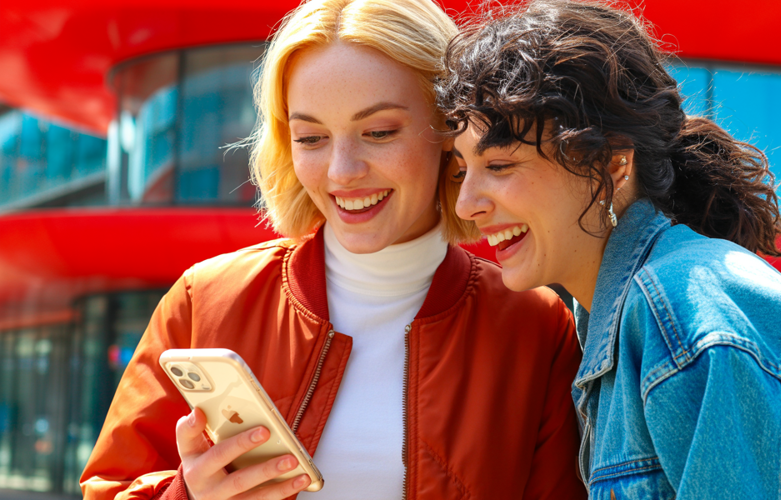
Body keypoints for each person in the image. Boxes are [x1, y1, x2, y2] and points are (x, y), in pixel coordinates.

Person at [79, 0, 587, 498]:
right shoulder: (204, 300)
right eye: (311, 137)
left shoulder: (536, 327)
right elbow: (109, 488)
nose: (342, 172)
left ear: (450, 132)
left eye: (379, 132)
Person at [438, 0, 781, 498]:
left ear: (611, 165)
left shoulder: (682, 317)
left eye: (499, 165)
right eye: (461, 168)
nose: (467, 202)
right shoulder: (623, 314)